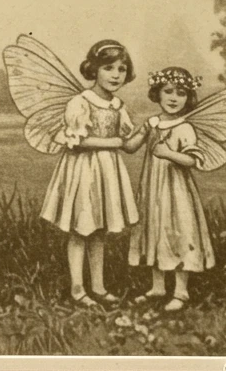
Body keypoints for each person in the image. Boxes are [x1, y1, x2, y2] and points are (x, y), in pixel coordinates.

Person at [38, 40, 147, 306]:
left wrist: (147, 131)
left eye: (122, 69)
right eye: (108, 68)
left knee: (99, 231)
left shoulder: (118, 105)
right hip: (83, 171)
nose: (115, 75)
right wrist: (113, 143)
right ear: (93, 69)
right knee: (80, 229)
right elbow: (77, 141)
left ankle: (98, 287)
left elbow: (127, 144)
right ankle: (78, 289)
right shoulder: (81, 102)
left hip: (108, 172)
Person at [130, 66, 215, 311]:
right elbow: (130, 146)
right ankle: (158, 287)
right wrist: (129, 129)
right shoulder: (152, 123)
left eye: (181, 93)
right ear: (157, 93)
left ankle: (181, 291)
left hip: (176, 190)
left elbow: (192, 161)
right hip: (152, 188)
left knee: (179, 232)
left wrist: (168, 153)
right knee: (155, 230)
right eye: (168, 91)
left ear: (189, 98)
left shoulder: (185, 127)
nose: (174, 98)